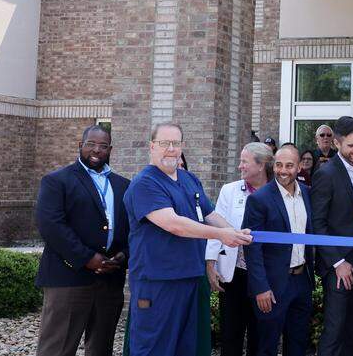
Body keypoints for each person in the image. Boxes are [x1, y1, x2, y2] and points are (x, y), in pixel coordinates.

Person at [123, 123, 252, 356]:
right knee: (155, 347)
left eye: (176, 144)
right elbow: (175, 225)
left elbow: (210, 213)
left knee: (187, 347)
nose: (171, 149)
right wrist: (222, 235)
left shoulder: (189, 179)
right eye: (164, 143)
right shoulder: (145, 184)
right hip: (158, 283)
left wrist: (236, 232)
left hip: (191, 278)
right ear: (151, 146)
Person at [35, 124, 130, 356]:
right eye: (91, 144)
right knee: (57, 348)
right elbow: (51, 226)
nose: (96, 150)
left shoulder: (124, 185)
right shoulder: (57, 181)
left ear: (110, 150)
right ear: (80, 146)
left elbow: (131, 228)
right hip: (68, 278)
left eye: (103, 146)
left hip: (110, 280)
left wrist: (123, 255)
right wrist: (87, 257)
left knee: (101, 348)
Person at [242, 143, 314, 356]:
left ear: (299, 166)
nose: (283, 170)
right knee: (267, 347)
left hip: (302, 281)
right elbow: (252, 249)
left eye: (289, 165)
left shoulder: (308, 194)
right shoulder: (259, 199)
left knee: (298, 344)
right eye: (279, 165)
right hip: (272, 286)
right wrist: (260, 288)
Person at [312, 116, 353, 356]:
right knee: (335, 326)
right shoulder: (326, 173)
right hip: (338, 261)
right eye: (351, 145)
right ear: (337, 143)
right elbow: (317, 223)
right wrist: (338, 263)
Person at [206, 142, 273, 356]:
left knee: (259, 335)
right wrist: (210, 262)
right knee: (231, 335)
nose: (240, 166)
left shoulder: (276, 193)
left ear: (261, 165)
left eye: (244, 161)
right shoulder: (230, 190)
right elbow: (216, 226)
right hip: (234, 274)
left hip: (264, 276)